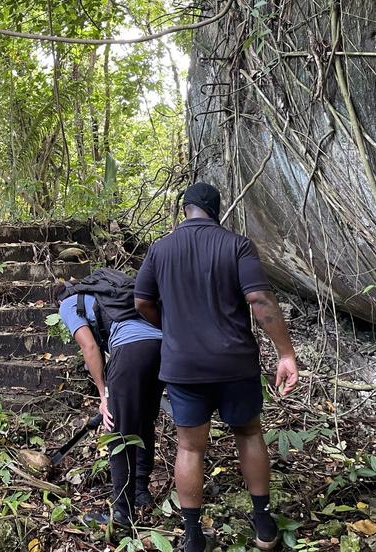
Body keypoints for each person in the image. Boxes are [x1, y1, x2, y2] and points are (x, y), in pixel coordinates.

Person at [133, 182, 299, 552]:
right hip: (234, 362)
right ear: (216, 210)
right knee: (249, 434)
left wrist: (170, 327)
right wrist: (285, 353)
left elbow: (142, 301)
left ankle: (193, 537)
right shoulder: (236, 244)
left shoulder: (160, 249)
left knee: (190, 449)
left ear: (185, 210)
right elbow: (258, 298)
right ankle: (264, 525)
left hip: (184, 366)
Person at [54, 279, 163, 527]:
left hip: (131, 349)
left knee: (118, 429)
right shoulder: (107, 296)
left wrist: (104, 394)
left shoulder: (67, 304)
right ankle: (141, 494)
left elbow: (89, 346)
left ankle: (123, 514)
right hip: (163, 345)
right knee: (144, 420)